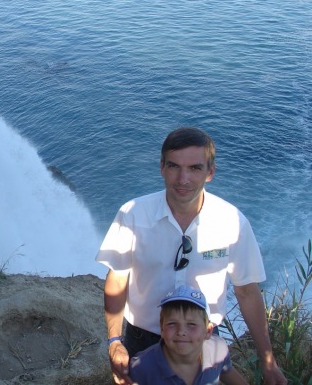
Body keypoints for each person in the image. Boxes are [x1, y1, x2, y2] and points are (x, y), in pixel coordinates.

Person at [95, 127, 286, 385]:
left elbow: (247, 291)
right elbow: (118, 278)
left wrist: (268, 360)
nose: (183, 179)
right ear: (162, 167)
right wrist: (115, 341)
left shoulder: (232, 222)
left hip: (203, 339)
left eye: (195, 168)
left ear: (210, 172)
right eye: (174, 166)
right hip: (142, 338)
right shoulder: (133, 215)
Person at [129, 284, 247, 385]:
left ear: (208, 331)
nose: (181, 332)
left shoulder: (218, 350)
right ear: (162, 329)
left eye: (191, 324)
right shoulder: (141, 368)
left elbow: (225, 371)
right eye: (172, 324)